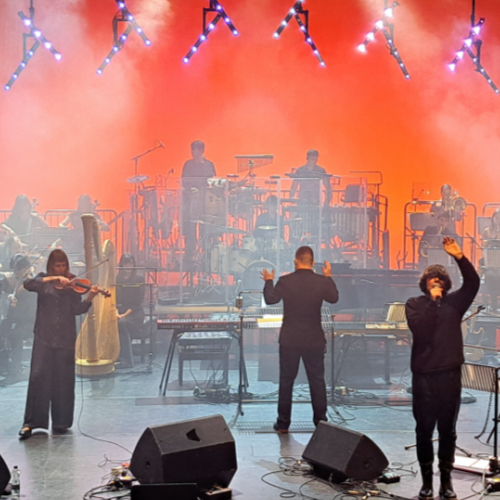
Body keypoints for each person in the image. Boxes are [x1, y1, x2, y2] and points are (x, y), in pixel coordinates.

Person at [405, 237, 480, 500]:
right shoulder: (414, 304)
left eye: (440, 280)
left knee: (447, 430)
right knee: (424, 430)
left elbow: (473, 283)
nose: (436, 282)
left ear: (446, 285)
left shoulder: (455, 303)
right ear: (425, 285)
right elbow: (420, 328)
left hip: (449, 375)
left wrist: (460, 257)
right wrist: (433, 303)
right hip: (424, 377)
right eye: (431, 280)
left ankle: (445, 482)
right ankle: (426, 483)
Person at [18, 249, 99, 440]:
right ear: (51, 266)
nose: (61, 270)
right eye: (57, 266)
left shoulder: (72, 287)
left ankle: (61, 422)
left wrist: (90, 298)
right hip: (44, 336)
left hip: (65, 338)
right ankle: (31, 423)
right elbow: (28, 284)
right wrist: (52, 278)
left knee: (63, 379)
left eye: (63, 266)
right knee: (38, 376)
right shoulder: (43, 281)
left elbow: (76, 310)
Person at [260, 246, 339, 432]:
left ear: (295, 261)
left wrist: (268, 281)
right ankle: (321, 422)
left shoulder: (285, 281)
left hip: (290, 339)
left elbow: (271, 300)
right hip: (314, 339)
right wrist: (328, 277)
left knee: (287, 381)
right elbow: (334, 298)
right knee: (317, 380)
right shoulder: (321, 281)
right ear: (312, 263)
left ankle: (283, 423)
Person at [0, 254, 36, 381]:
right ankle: (3, 366)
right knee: (2, 331)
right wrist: (8, 296)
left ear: (27, 268)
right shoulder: (8, 281)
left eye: (19, 270)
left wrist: (23, 291)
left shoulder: (33, 281)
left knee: (16, 335)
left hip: (30, 320)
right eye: (14, 270)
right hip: (13, 319)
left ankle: (15, 370)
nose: (16, 273)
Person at [180, 140, 217, 267]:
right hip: (191, 201)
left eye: (194, 149)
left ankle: (206, 257)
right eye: (192, 149)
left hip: (205, 201)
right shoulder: (188, 164)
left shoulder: (208, 165)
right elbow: (184, 180)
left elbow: (211, 181)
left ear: (201, 150)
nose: (192, 152)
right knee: (190, 229)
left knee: (205, 228)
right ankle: (189, 257)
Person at [116, 253, 145, 368]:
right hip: (120, 312)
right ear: (121, 265)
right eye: (125, 263)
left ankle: (127, 360)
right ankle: (115, 355)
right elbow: (113, 300)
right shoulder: (116, 279)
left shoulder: (139, 279)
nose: (128, 266)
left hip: (135, 314)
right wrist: (116, 313)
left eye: (130, 263)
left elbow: (137, 303)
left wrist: (123, 315)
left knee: (121, 324)